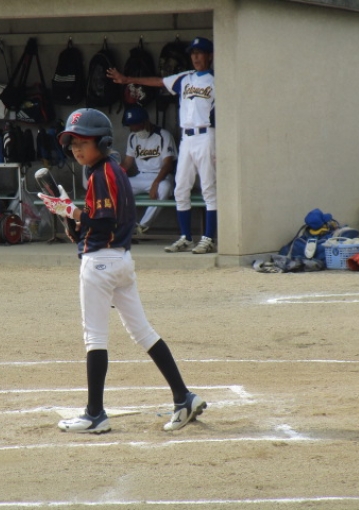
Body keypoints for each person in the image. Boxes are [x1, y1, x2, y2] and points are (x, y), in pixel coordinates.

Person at [37, 108, 207, 433]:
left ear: (102, 142)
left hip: (100, 264)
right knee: (143, 332)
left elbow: (99, 223)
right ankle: (183, 397)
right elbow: (101, 221)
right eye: (73, 143)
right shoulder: (112, 171)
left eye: (83, 142)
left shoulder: (100, 175)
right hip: (121, 261)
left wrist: (71, 212)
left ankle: (94, 414)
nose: (76, 149)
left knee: (95, 337)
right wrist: (77, 220)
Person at [108, 36, 216, 254]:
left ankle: (208, 238)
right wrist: (127, 79)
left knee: (208, 188)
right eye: (193, 54)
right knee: (180, 188)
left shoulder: (216, 79)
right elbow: (159, 81)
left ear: (210, 56)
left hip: (207, 134)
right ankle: (186, 237)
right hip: (187, 138)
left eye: (200, 53)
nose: (195, 57)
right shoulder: (185, 78)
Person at [120, 106, 177, 236]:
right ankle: (120, 225)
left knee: (164, 188)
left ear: (145, 121)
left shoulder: (163, 135)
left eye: (136, 126)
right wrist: (113, 175)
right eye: (131, 127)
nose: (134, 130)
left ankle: (143, 226)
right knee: (116, 187)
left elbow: (168, 164)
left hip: (161, 176)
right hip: (141, 177)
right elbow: (127, 163)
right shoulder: (132, 137)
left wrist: (155, 183)